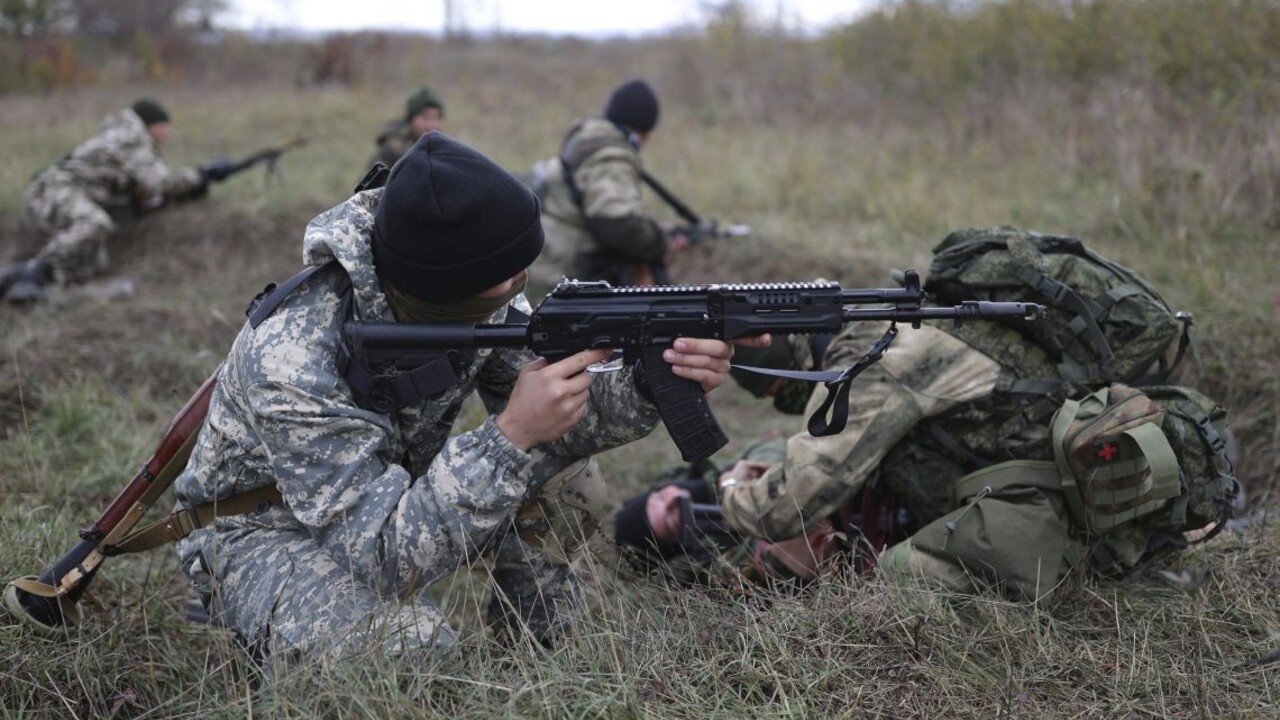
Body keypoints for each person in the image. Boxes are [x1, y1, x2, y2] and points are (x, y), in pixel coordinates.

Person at [172, 131, 746, 661]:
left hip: (383, 501)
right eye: (507, 275)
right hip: (263, 530)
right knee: (412, 648)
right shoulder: (294, 357)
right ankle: (257, 621)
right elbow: (381, 551)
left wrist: (650, 380)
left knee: (570, 481)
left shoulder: (472, 290)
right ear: (444, 287)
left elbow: (565, 414)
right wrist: (509, 437)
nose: (521, 281)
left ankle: (537, 653)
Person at [616, 312, 1239, 602]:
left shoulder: (877, 361)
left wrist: (734, 492)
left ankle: (1106, 571)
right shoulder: (905, 329)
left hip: (1070, 503)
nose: (795, 405)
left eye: (785, 390)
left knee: (896, 587)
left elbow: (788, 507)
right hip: (1065, 476)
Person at [1, 98, 211, 303]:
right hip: (54, 189)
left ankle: (37, 285)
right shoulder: (131, 139)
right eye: (165, 126)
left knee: (93, 261)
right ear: (151, 126)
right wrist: (201, 174)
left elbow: (144, 190)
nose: (169, 132)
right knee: (94, 223)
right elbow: (160, 182)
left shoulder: (122, 136)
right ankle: (29, 274)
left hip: (59, 191)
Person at [527, 78, 688, 291]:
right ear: (645, 132)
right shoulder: (610, 154)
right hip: (562, 277)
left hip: (547, 262)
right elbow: (615, 223)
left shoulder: (587, 140)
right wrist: (661, 243)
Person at [372, 86, 446, 170]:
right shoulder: (393, 149)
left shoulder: (444, 148)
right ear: (411, 119)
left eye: (436, 118)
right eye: (425, 117)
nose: (431, 124)